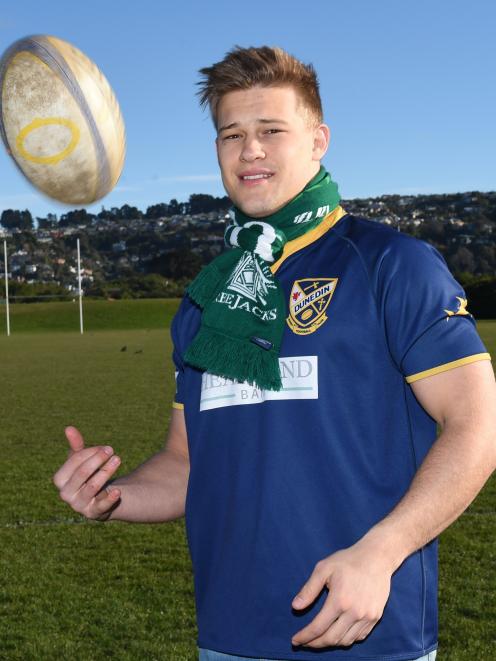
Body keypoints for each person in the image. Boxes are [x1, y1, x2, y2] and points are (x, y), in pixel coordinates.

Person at [53, 46, 496, 661]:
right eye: (230, 134)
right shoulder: (207, 299)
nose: (249, 150)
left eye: (270, 131)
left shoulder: (392, 265)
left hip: (367, 634)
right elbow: (186, 464)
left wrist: (382, 551)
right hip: (230, 638)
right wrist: (113, 497)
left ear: (318, 140)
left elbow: (477, 426)